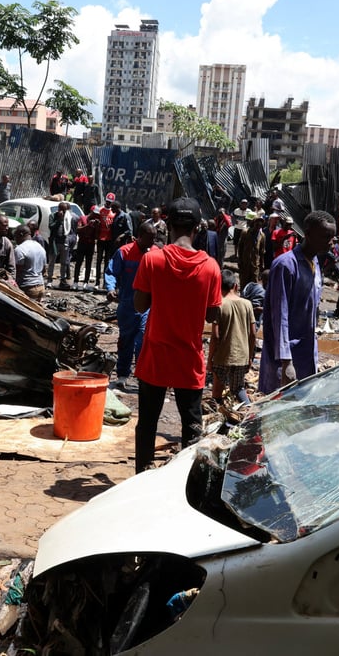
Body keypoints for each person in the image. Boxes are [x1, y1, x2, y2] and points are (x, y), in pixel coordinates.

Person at [132, 196, 222, 473]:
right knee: (191, 427)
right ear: (198, 228)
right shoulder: (210, 268)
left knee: (147, 422)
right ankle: (184, 484)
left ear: (166, 225)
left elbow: (139, 305)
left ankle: (141, 479)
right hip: (189, 359)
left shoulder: (152, 260)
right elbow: (212, 315)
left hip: (155, 356)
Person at [258, 211, 337, 393]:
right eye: (326, 236)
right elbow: (280, 316)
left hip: (307, 352)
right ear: (308, 234)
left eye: (333, 237)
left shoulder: (315, 263)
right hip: (285, 357)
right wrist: (286, 362)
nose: (331, 242)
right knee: (280, 410)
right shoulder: (286, 265)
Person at [105, 222, 157, 390]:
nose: (152, 243)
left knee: (143, 339)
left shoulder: (156, 254)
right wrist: (111, 288)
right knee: (126, 340)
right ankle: (122, 374)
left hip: (147, 307)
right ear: (139, 237)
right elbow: (111, 272)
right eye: (149, 239)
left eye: (154, 239)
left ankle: (141, 374)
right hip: (127, 305)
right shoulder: (124, 252)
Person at [208, 269, 256, 405]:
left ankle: (221, 419)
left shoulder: (219, 305)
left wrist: (210, 359)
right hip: (242, 356)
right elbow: (252, 334)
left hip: (222, 357)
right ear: (236, 286)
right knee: (238, 388)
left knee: (217, 393)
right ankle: (250, 413)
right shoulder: (247, 304)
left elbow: (215, 336)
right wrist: (249, 356)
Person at [13, 225, 47, 301]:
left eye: (15, 236)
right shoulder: (40, 247)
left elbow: (17, 271)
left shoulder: (20, 249)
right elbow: (44, 270)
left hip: (27, 288)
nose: (15, 239)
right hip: (41, 287)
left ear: (21, 234)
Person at [47, 200, 76, 288]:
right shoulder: (53, 216)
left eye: (65, 210)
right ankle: (49, 280)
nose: (63, 212)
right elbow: (51, 226)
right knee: (52, 261)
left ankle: (62, 280)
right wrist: (59, 220)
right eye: (62, 210)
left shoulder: (68, 217)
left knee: (64, 262)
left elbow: (70, 229)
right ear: (59, 209)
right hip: (55, 242)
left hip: (64, 241)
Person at [236, 211, 265, 288]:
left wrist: (262, 264)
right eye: (257, 223)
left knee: (254, 284)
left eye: (260, 224)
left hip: (255, 264)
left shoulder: (262, 236)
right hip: (245, 262)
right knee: (243, 282)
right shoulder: (245, 232)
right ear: (253, 223)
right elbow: (240, 246)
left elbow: (262, 251)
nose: (258, 225)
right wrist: (239, 259)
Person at [73, 205, 100, 287]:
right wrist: (88, 225)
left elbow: (96, 236)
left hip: (90, 244)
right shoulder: (83, 218)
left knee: (88, 263)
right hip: (82, 243)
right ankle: (75, 281)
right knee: (79, 262)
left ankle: (86, 282)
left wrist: (97, 227)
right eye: (94, 213)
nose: (96, 216)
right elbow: (78, 229)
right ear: (91, 212)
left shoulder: (96, 221)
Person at [95, 193, 116, 287]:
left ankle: (105, 282)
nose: (108, 204)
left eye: (110, 202)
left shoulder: (114, 212)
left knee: (107, 261)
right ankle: (97, 282)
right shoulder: (100, 210)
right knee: (99, 260)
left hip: (109, 239)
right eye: (107, 201)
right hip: (100, 238)